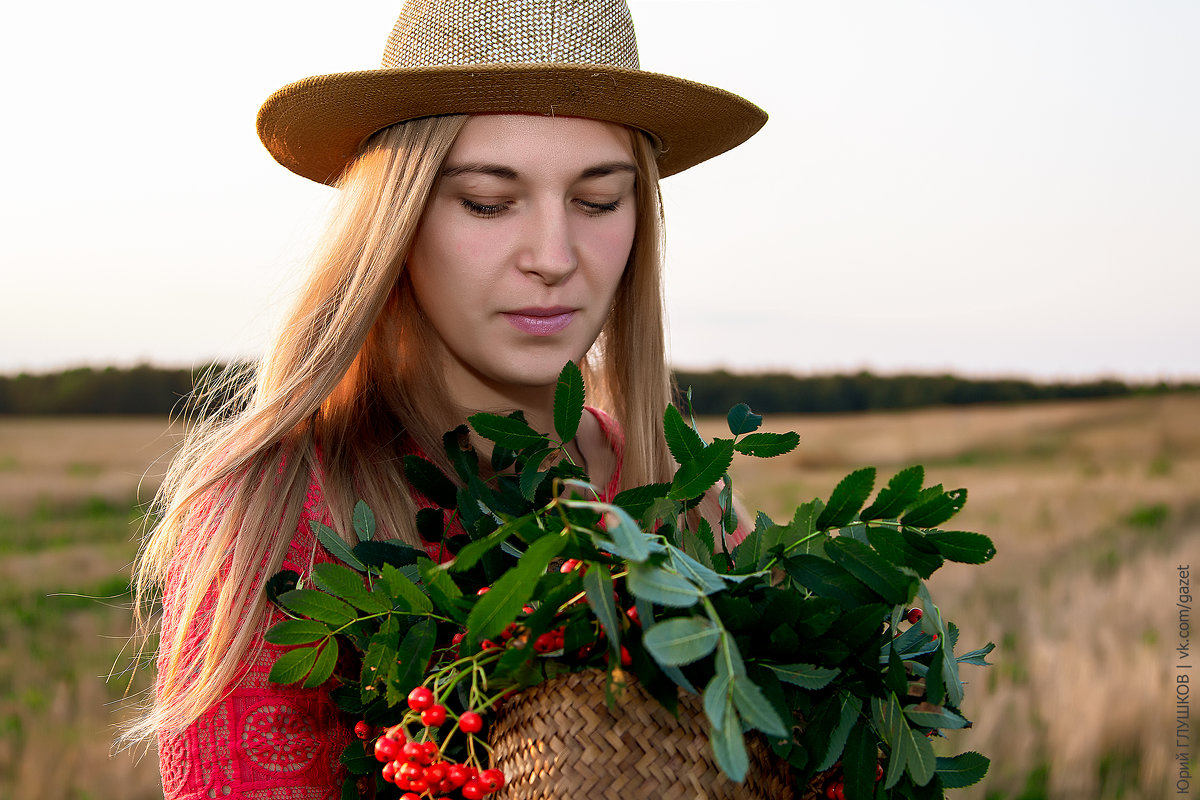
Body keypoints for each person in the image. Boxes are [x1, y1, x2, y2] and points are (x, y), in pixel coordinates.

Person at [125, 0, 766, 797]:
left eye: (598, 201)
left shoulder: (686, 507)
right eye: (489, 203)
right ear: (396, 220)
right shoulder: (278, 515)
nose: (554, 256)